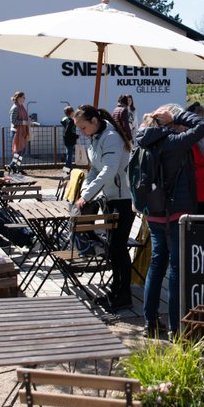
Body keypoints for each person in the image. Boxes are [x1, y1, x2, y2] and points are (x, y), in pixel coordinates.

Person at [135, 104, 204, 339]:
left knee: (157, 264)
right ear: (166, 122)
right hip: (177, 212)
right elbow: (203, 125)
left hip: (153, 212)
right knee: (177, 268)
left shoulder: (141, 142)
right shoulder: (173, 143)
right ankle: (175, 325)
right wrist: (177, 115)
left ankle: (150, 321)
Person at [72, 104, 135, 311]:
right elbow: (95, 169)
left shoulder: (111, 137)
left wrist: (88, 196)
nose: (82, 132)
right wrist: (84, 193)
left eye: (83, 127)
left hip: (123, 199)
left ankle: (124, 294)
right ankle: (116, 290)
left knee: (118, 248)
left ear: (94, 121)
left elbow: (109, 170)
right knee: (112, 248)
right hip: (109, 198)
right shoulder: (95, 138)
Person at [9, 91, 30, 162]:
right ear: (18, 98)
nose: (24, 99)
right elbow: (13, 121)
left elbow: (24, 118)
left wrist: (28, 121)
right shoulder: (15, 107)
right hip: (16, 131)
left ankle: (17, 167)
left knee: (22, 151)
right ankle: (13, 166)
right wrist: (25, 122)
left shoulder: (21, 107)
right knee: (18, 151)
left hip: (22, 131)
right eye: (23, 97)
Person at [60, 105, 79, 171]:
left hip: (67, 140)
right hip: (70, 140)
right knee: (69, 156)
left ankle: (69, 169)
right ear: (71, 113)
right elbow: (68, 131)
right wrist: (75, 136)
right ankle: (66, 171)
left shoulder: (66, 120)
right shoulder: (71, 121)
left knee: (69, 154)